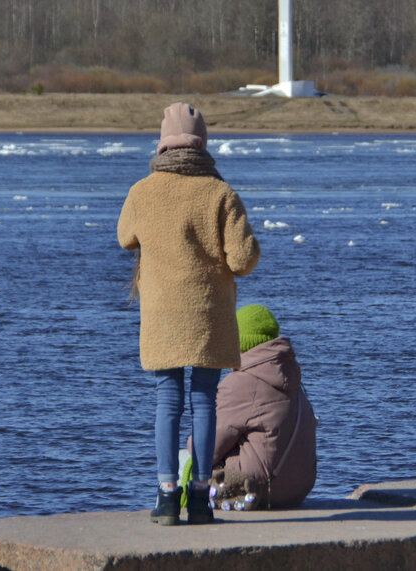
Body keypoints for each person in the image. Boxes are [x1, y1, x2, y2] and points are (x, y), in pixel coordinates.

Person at [117, 102, 260, 526]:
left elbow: (125, 237)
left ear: (162, 144)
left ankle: (165, 497)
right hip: (209, 314)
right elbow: (243, 260)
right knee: (204, 400)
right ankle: (199, 497)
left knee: (167, 400)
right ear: (204, 144)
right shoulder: (220, 193)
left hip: (161, 312)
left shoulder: (143, 190)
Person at [208, 303, 317, 510]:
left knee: (186, 459)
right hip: (298, 490)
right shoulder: (292, 377)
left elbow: (206, 447)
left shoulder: (239, 384)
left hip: (257, 489)